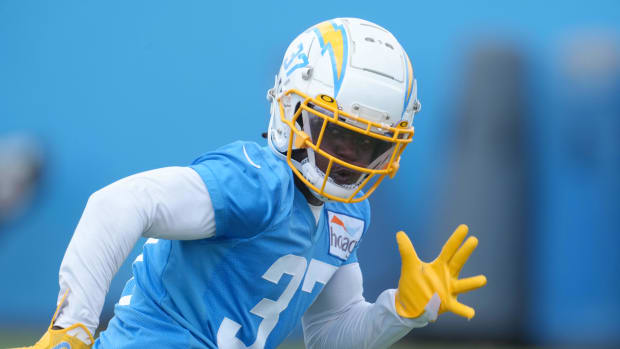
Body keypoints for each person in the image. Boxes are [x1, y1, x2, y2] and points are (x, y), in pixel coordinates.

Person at [18, 18, 486, 349]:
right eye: (337, 134)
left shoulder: (348, 212)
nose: (351, 157)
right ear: (292, 110)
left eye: (368, 144)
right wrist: (72, 329)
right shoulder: (257, 181)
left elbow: (330, 333)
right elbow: (117, 204)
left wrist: (399, 311)